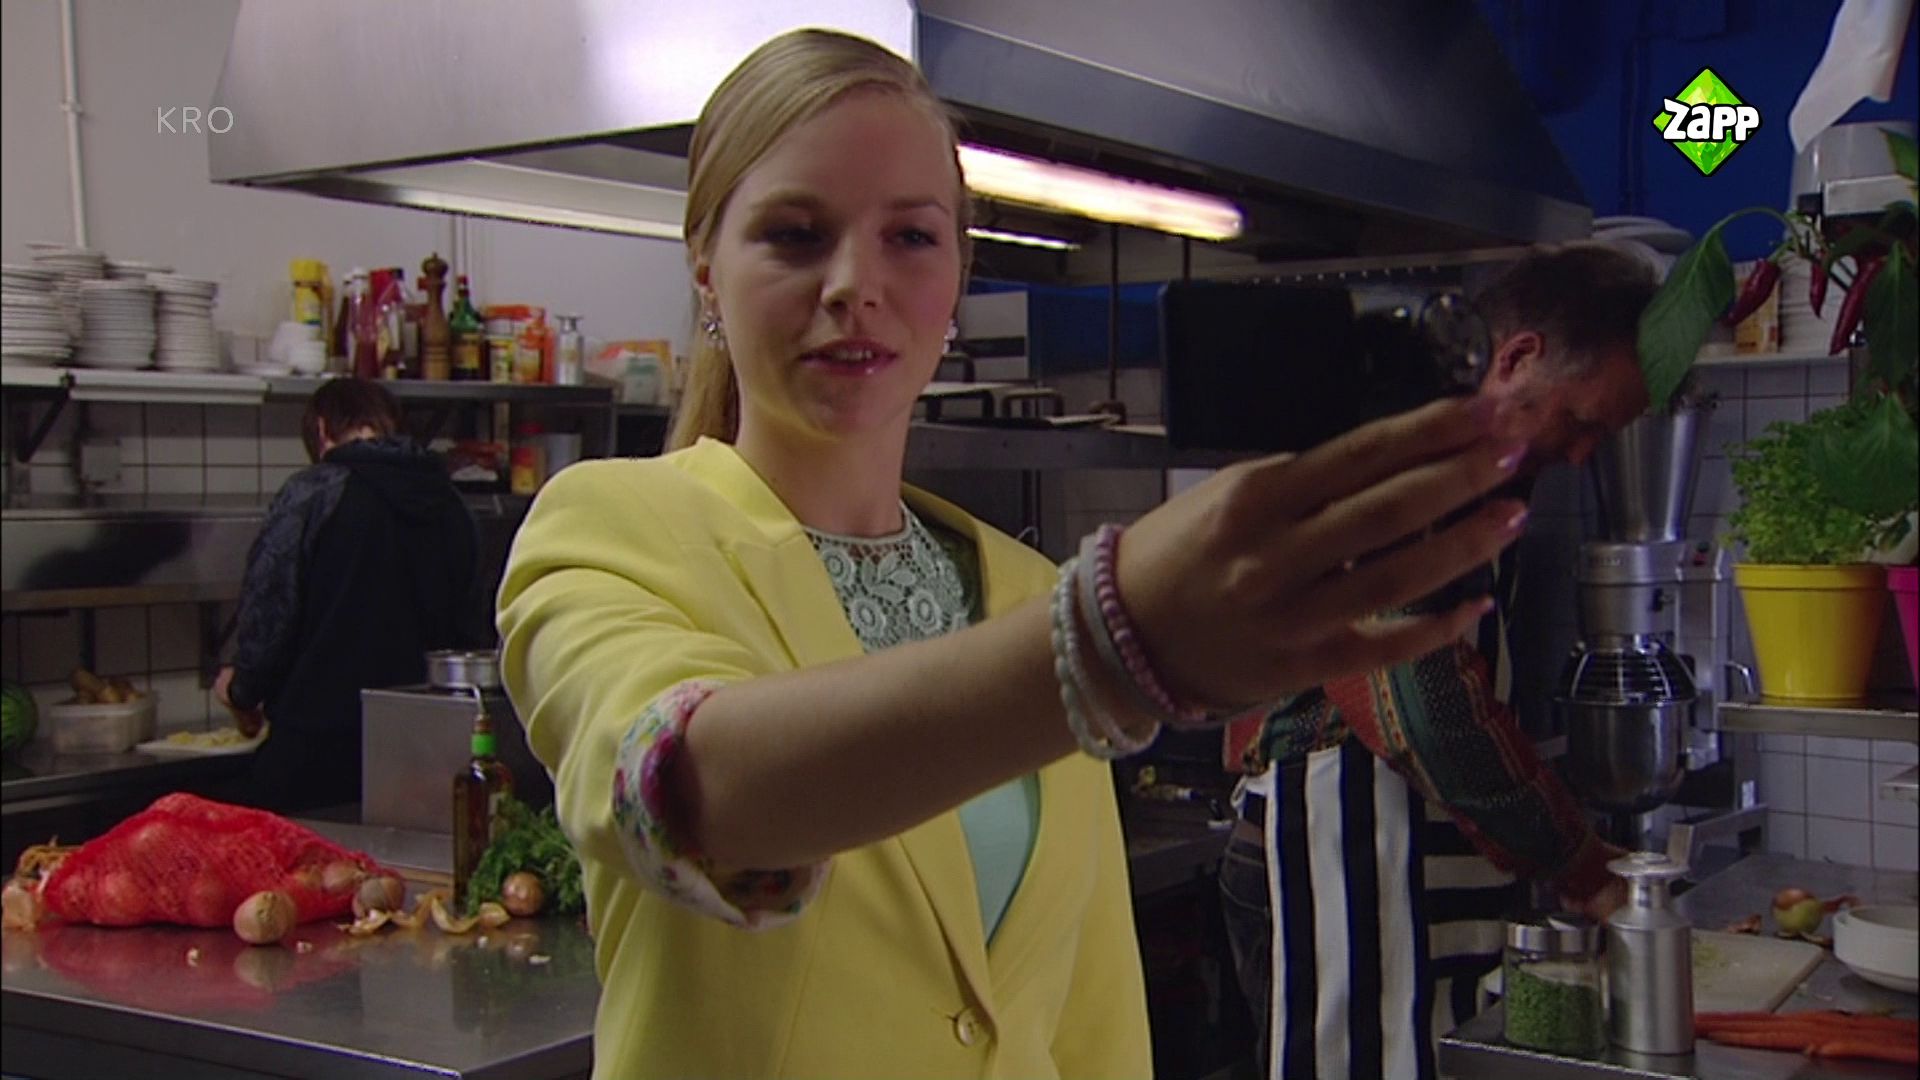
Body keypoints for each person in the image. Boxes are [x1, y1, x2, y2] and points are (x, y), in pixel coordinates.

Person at [496, 28, 1535, 1080]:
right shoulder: (610, 528)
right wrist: (1108, 648)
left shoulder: (1024, 588)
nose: (855, 283)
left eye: (911, 237)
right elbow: (682, 792)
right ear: (705, 269)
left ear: (957, 277)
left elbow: (1093, 1021)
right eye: (796, 235)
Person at [1217, 242, 1661, 1080]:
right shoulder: (1411, 453)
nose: (1580, 456)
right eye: (1581, 423)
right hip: (1336, 837)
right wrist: (1577, 859)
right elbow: (1422, 700)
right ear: (1518, 356)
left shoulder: (1477, 462)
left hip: (1395, 841)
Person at [214, 378, 488, 813]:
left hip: (315, 752)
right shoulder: (450, 502)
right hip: (423, 757)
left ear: (323, 429)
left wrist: (241, 690)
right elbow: (472, 629)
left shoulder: (316, 490)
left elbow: (270, 606)